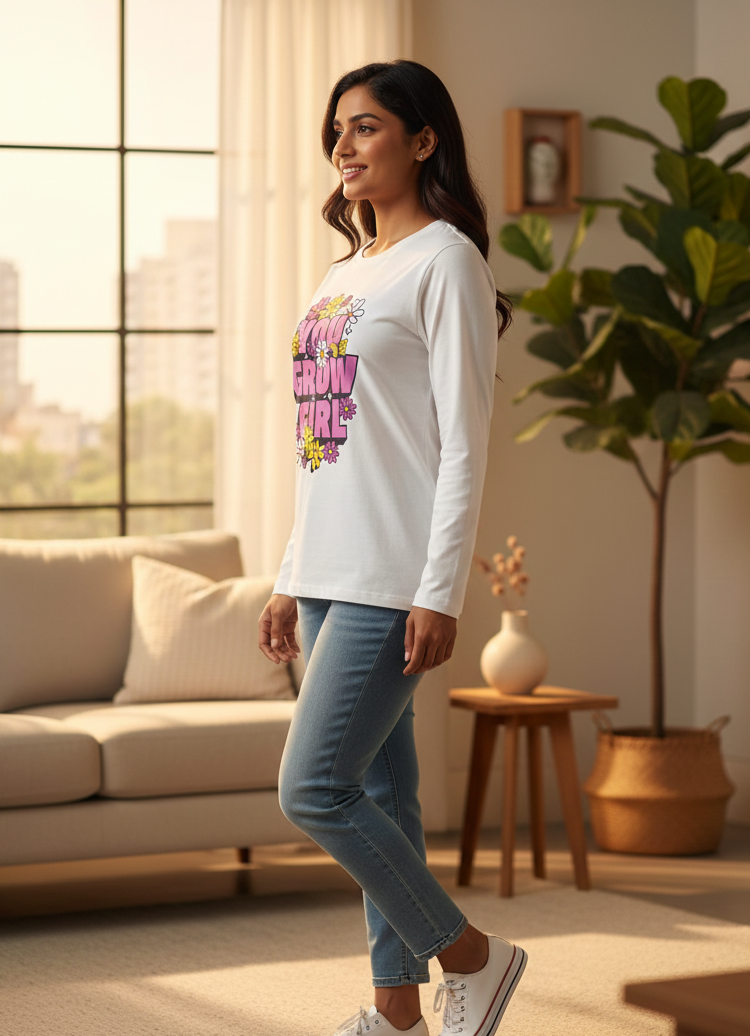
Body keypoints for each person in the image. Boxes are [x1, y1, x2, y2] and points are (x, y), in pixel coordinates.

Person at [258, 59, 526, 1036]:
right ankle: (397, 1013)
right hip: (328, 567)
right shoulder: (343, 273)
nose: (343, 146)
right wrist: (289, 576)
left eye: (366, 127)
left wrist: (441, 589)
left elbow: (464, 441)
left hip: (390, 576)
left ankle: (474, 957)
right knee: (381, 791)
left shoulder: (447, 259)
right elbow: (320, 445)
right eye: (337, 129)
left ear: (422, 141)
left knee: (312, 787)